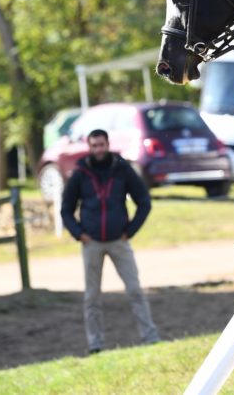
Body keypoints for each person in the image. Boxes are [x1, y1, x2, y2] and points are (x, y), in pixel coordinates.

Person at [60, 129, 160, 354]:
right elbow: (66, 209)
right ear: (89, 147)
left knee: (135, 290)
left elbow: (144, 201)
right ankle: (95, 344)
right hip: (91, 243)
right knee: (92, 297)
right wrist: (79, 234)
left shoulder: (122, 169)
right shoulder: (80, 173)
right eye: (94, 146)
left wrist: (130, 230)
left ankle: (150, 337)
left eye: (101, 145)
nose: (98, 150)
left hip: (119, 241)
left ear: (107, 144)